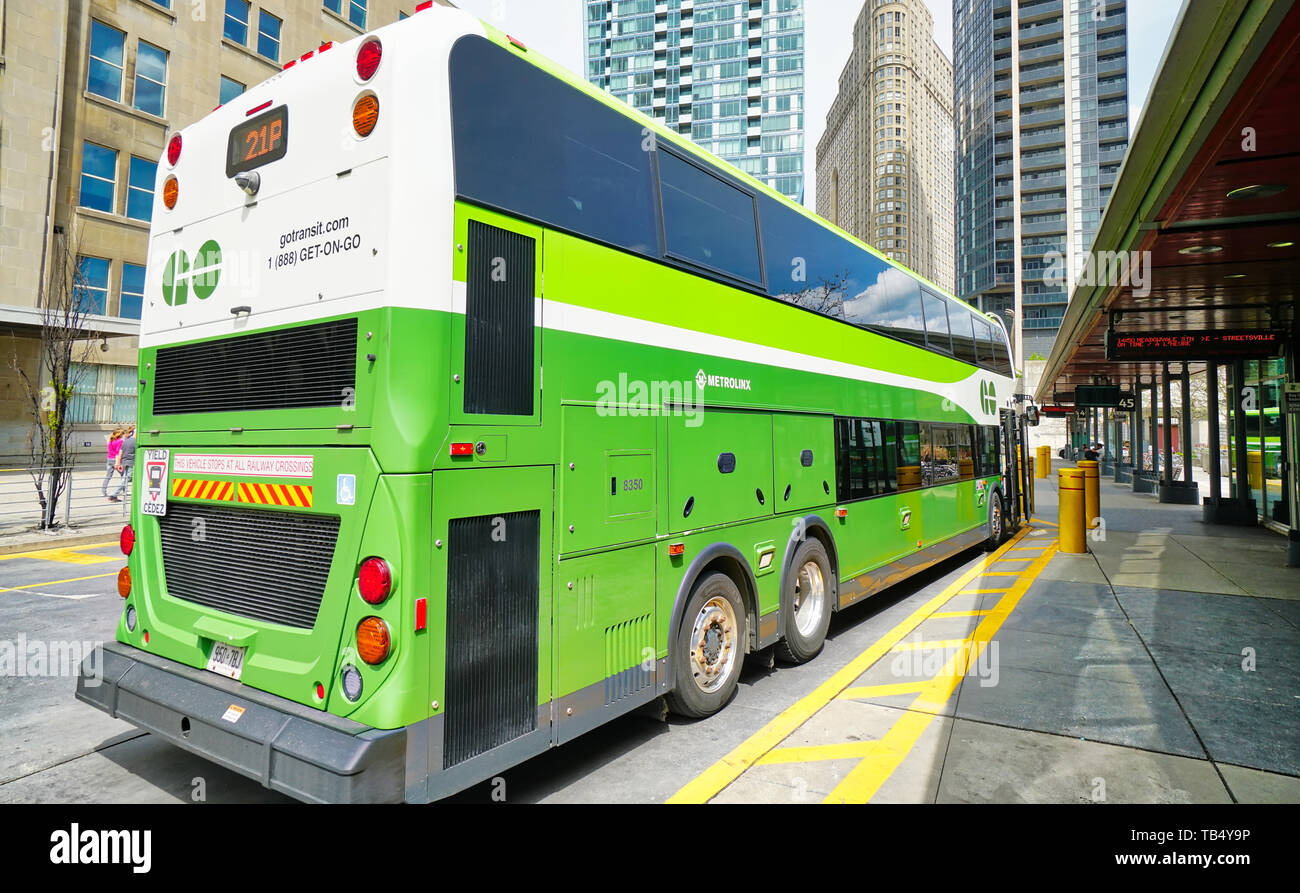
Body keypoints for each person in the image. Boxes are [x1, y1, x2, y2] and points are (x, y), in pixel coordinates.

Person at [110, 424, 136, 502]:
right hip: (131, 462)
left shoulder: (126, 441)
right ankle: (113, 494)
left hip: (125, 462)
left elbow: (120, 453)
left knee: (125, 478)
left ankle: (114, 494)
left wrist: (119, 463)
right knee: (126, 479)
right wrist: (117, 464)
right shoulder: (136, 442)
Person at [102, 427, 125, 500]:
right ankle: (124, 490)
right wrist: (119, 461)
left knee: (108, 476)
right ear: (119, 434)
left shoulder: (110, 441)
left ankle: (103, 491)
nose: (123, 435)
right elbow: (118, 451)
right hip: (115, 459)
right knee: (124, 475)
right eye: (122, 433)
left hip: (109, 459)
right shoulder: (120, 441)